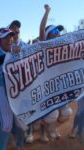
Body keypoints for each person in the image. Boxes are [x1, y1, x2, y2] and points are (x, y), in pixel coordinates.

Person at [38, 4, 72, 141]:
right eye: (55, 31)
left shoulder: (63, 48)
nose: (58, 33)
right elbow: (41, 30)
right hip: (46, 86)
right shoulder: (44, 46)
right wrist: (47, 12)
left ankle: (51, 128)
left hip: (60, 85)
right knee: (50, 114)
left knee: (66, 113)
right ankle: (41, 132)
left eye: (59, 31)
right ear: (48, 35)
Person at [0, 28, 25, 150]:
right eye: (6, 37)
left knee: (21, 122)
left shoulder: (18, 49)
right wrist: (12, 53)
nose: (9, 39)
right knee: (6, 125)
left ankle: (19, 145)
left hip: (17, 89)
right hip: (2, 90)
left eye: (11, 36)